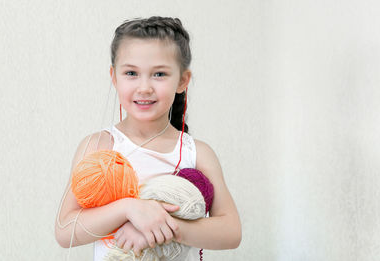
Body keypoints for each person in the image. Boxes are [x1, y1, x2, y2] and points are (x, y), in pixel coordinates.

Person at [55, 16, 241, 260]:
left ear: (182, 81)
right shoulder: (99, 147)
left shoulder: (197, 153)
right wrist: (129, 209)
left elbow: (231, 231)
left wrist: (163, 227)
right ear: (114, 77)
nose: (144, 87)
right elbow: (64, 230)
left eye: (159, 74)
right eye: (131, 72)